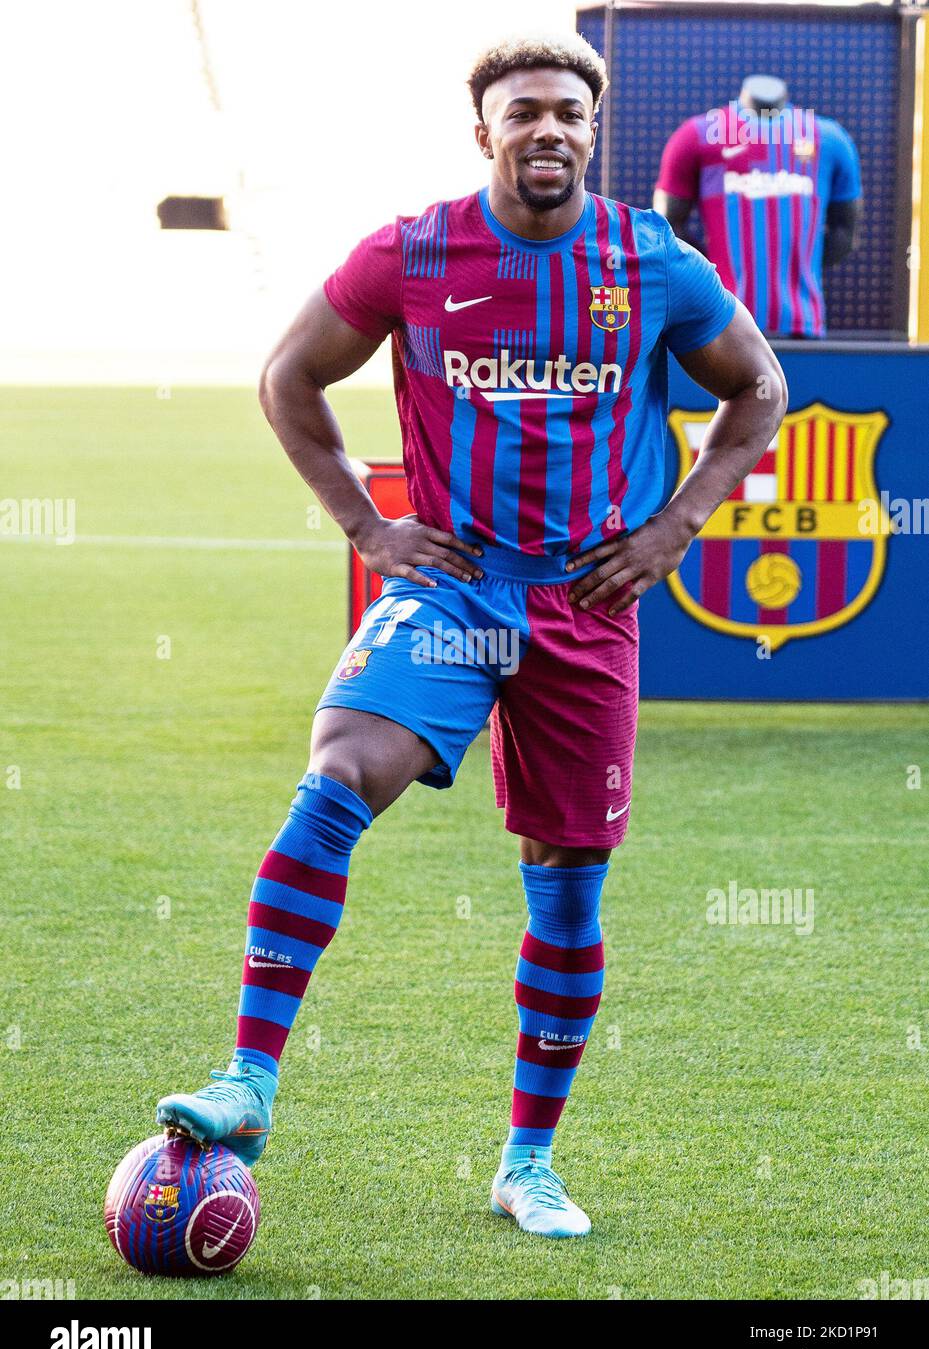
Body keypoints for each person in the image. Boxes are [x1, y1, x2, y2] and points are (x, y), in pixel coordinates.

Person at [157, 32, 786, 1238]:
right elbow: (290, 375)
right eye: (523, 113)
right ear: (483, 131)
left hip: (586, 606)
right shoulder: (412, 251)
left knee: (563, 892)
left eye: (567, 114)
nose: (547, 129)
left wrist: (672, 532)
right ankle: (247, 1080)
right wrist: (366, 523)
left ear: (592, 133)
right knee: (338, 773)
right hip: (451, 587)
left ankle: (526, 1162)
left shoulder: (649, 259)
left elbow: (754, 386)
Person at [654, 74, 862, 338]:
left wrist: (801, 264)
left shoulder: (829, 138)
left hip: (802, 327)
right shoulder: (697, 135)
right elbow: (667, 230)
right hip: (722, 323)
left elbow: (845, 233)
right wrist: (713, 269)